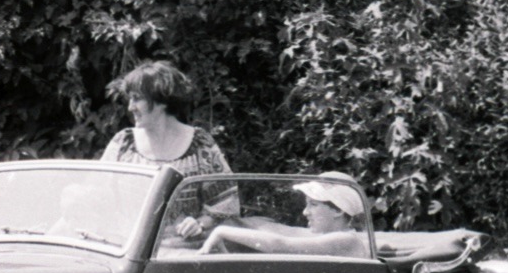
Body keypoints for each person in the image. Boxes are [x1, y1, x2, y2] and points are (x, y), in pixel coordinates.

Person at [99, 60, 231, 239]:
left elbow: (225, 203)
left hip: (185, 251)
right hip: (126, 250)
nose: (130, 107)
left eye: (137, 99)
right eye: (130, 99)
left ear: (162, 100)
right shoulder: (123, 143)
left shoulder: (200, 144)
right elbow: (95, 197)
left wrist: (199, 223)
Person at [199, 171, 370, 258]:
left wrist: (221, 231)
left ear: (338, 210)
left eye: (313, 205)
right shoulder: (331, 238)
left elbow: (280, 245)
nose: (305, 212)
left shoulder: (346, 240)